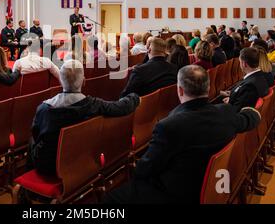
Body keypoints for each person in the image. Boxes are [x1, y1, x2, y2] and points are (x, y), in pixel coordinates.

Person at [104, 66, 261, 204]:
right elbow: (251, 118)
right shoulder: (226, 113)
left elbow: (145, 169)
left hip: (177, 194)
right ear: (208, 88)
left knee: (111, 198)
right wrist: (251, 111)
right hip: (215, 186)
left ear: (179, 90)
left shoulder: (169, 126)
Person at [28, 60, 140, 176]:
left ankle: (28, 179)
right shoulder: (94, 105)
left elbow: (36, 134)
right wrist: (134, 97)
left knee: (32, 139)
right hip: (83, 160)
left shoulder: (43, 109)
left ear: (60, 82)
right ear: (84, 81)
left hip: (49, 167)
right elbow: (120, 107)